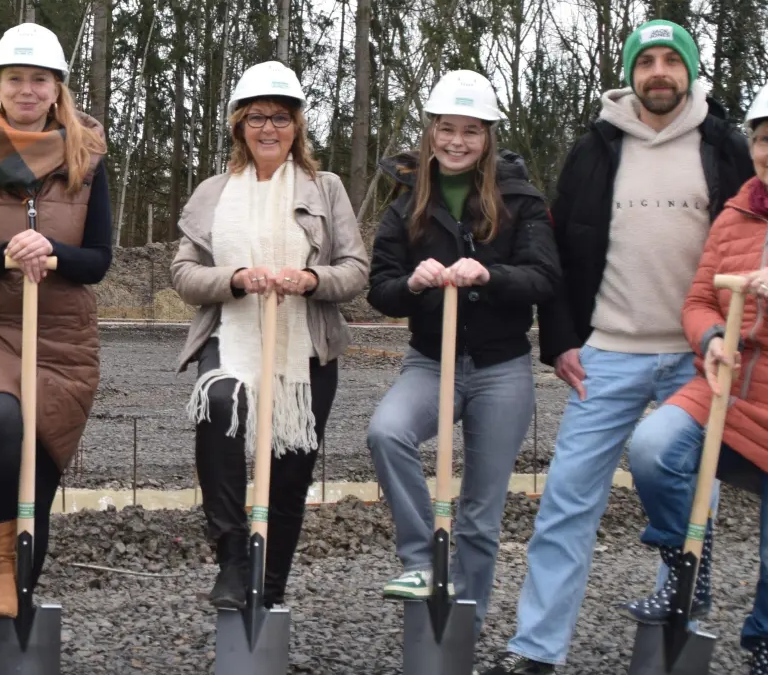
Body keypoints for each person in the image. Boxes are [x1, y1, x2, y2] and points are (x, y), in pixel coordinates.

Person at [483, 21, 752, 675]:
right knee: (567, 501)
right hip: (607, 353)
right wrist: (564, 342)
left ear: (689, 71)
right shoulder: (594, 151)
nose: (659, 72)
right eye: (647, 62)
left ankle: (680, 603)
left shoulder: (726, 148)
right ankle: (536, 651)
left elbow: (752, 243)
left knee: (690, 493)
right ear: (631, 73)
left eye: (671, 61)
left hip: (697, 355)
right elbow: (563, 254)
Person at [621, 76, 768, 675]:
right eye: (766, 139)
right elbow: (697, 301)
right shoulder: (735, 215)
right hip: (728, 390)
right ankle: (691, 566)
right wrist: (711, 338)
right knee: (653, 447)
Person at [366, 70, 560, 629]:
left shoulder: (520, 198)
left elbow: (545, 277)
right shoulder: (407, 205)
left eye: (470, 131)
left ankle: (459, 637)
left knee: (479, 515)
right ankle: (422, 560)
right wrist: (412, 284)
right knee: (387, 431)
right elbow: (382, 290)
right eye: (446, 129)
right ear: (430, 132)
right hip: (432, 361)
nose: (456, 141)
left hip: (502, 369)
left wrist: (490, 274)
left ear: (488, 136)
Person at [170, 61, 367, 609]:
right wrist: (233, 279)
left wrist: (310, 279)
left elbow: (355, 269)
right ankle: (232, 557)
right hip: (231, 335)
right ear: (239, 125)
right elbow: (183, 275)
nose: (268, 128)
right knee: (220, 403)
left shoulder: (324, 189)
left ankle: (269, 592)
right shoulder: (214, 192)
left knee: (288, 478)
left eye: (280, 117)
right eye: (256, 116)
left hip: (307, 351)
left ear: (297, 125)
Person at [0, 23, 110, 617]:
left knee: (36, 474)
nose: (28, 90)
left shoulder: (87, 158)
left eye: (40, 79)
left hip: (61, 336)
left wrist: (52, 254)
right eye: (16, 79)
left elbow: (99, 262)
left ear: (58, 89)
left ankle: (22, 603)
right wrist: (3, 255)